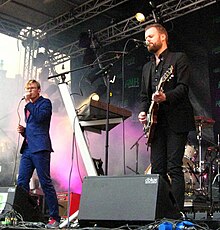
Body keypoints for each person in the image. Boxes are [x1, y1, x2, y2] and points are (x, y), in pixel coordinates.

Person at [138, 23, 195, 212]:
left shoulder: (178, 59)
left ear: (163, 37)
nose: (148, 40)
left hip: (176, 120)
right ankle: (160, 211)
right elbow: (144, 96)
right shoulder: (146, 67)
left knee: (174, 167)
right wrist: (143, 111)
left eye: (151, 36)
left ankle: (176, 213)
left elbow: (183, 88)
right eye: (146, 37)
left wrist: (165, 97)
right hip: (155, 124)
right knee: (157, 170)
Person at [17, 79, 60, 228]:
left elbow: (41, 119)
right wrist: (24, 131)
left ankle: (55, 218)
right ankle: (23, 214)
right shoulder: (27, 108)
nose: (29, 90)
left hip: (41, 148)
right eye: (28, 88)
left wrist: (28, 103)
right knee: (22, 182)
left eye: (33, 88)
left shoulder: (45, 103)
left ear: (39, 90)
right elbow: (33, 127)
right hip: (28, 148)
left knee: (45, 183)